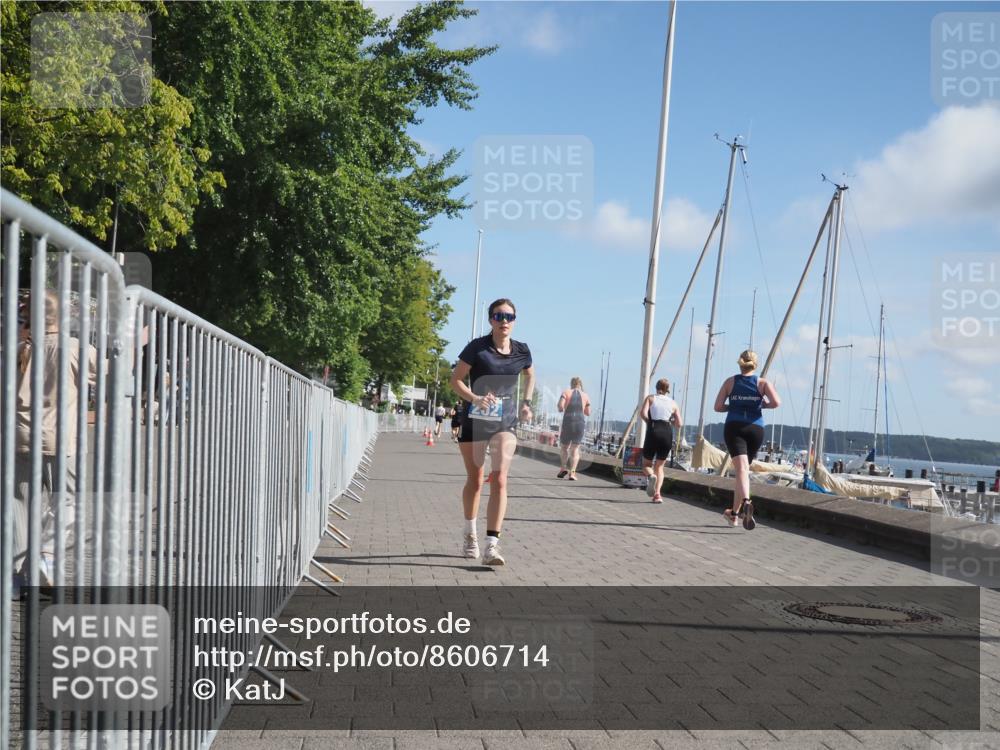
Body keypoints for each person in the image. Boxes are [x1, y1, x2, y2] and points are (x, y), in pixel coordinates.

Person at [13, 291, 97, 588]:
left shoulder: (20, 348)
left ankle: (16, 578)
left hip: (20, 436)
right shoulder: (75, 348)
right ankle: (47, 559)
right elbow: (113, 376)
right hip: (61, 439)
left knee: (19, 507)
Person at [449, 298, 534, 566]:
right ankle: (469, 535)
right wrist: (474, 398)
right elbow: (456, 380)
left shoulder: (522, 351)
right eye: (499, 316)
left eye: (509, 316)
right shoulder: (477, 347)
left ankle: (491, 546)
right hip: (475, 420)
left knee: (499, 480)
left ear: (515, 320)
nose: (504, 321)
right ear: (491, 320)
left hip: (504, 422)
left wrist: (526, 403)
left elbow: (530, 376)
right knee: (476, 480)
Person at [713, 350, 781, 529]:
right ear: (755, 364)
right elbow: (776, 403)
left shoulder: (730, 382)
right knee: (742, 472)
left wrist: (734, 405)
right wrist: (762, 405)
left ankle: (747, 502)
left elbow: (718, 407)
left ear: (740, 364)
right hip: (755, 429)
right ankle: (734, 515)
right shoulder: (763, 383)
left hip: (735, 426)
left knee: (741, 470)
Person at [639, 378, 682, 504]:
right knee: (660, 467)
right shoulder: (673, 403)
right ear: (667, 390)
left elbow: (643, 413)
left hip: (653, 431)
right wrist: (670, 422)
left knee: (646, 465)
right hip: (667, 433)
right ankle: (657, 494)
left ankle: (651, 476)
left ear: (656, 387)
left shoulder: (651, 398)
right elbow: (679, 424)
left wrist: (649, 422)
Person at [556, 377, 591, 480]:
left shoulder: (566, 392)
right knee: (575, 449)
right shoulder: (585, 395)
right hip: (579, 423)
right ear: (580, 384)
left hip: (568, 422)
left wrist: (561, 408)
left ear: (571, 384)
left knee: (564, 447)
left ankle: (563, 469)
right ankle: (573, 473)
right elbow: (588, 412)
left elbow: (560, 406)